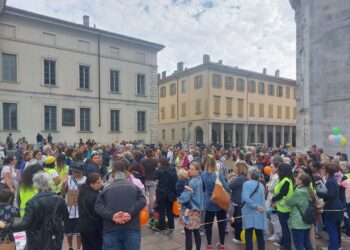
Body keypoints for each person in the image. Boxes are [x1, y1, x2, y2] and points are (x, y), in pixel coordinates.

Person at [0, 172, 68, 250]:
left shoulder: (32, 202)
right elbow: (64, 217)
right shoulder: (60, 199)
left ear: (35, 184)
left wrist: (5, 226)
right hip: (55, 238)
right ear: (50, 182)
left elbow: (24, 225)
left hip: (36, 239)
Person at [95, 158, 146, 250]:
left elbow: (98, 206)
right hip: (132, 227)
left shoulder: (106, 189)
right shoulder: (134, 187)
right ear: (125, 171)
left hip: (111, 229)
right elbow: (143, 200)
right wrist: (129, 213)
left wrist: (112, 216)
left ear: (113, 173)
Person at [201, 157, 229, 250]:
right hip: (219, 202)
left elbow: (203, 188)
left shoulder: (203, 175)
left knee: (208, 224)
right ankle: (222, 244)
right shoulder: (218, 175)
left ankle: (209, 244)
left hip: (209, 201)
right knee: (221, 224)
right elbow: (227, 187)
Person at [178, 161, 204, 250]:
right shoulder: (199, 179)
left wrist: (179, 198)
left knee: (188, 233)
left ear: (198, 170)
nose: (190, 171)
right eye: (190, 169)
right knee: (196, 231)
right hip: (197, 209)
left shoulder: (192, 182)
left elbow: (185, 197)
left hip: (191, 210)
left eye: (193, 169)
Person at [317, 162, 344, 250]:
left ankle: (333, 248)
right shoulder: (331, 180)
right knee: (335, 230)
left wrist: (317, 192)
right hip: (335, 208)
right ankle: (333, 247)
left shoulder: (330, 181)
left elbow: (331, 195)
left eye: (323, 169)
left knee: (332, 230)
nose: (322, 170)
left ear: (327, 171)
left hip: (332, 209)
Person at [285, 174, 314, 250]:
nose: (295, 179)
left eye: (297, 178)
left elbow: (289, 202)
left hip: (298, 221)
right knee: (306, 241)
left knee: (298, 243)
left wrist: (285, 198)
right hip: (307, 220)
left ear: (301, 181)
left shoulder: (298, 191)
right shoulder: (309, 190)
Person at [61, 162, 86, 250]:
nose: (75, 173)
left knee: (79, 232)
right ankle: (70, 247)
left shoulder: (85, 180)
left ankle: (78, 248)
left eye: (77, 172)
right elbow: (62, 193)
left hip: (80, 209)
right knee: (69, 232)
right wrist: (63, 184)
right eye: (74, 171)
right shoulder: (68, 179)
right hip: (69, 209)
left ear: (82, 172)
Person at [242, 167, 267, 250]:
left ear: (251, 175)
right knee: (260, 235)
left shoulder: (246, 184)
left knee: (248, 235)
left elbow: (245, 198)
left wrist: (256, 206)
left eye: (248, 173)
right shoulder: (261, 185)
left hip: (249, 212)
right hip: (259, 213)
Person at [77, 173, 103, 250]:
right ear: (91, 184)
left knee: (86, 247)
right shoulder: (94, 196)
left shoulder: (82, 192)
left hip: (83, 226)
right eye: (98, 182)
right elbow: (97, 214)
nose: (100, 184)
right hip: (93, 228)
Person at [272, 163, 294, 250]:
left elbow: (282, 194)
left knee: (285, 228)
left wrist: (273, 199)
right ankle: (283, 242)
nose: (277, 171)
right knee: (284, 227)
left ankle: (287, 246)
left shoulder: (286, 181)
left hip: (284, 208)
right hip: (283, 207)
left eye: (279, 169)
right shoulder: (287, 179)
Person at [154, 157, 178, 234]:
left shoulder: (160, 171)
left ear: (161, 163)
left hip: (161, 193)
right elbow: (176, 180)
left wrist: (157, 169)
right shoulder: (173, 170)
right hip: (170, 193)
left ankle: (163, 228)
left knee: (161, 211)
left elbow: (154, 176)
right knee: (170, 211)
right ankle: (171, 227)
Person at [229, 161, 248, 244]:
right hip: (241, 202)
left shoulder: (240, 178)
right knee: (238, 219)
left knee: (238, 220)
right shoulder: (244, 177)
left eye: (236, 167)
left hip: (239, 202)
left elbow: (229, 186)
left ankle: (238, 238)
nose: (234, 169)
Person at [266, 157, 282, 242]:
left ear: (276, 168)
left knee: (274, 217)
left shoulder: (276, 177)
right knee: (272, 216)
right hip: (271, 198)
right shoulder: (273, 175)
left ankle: (277, 234)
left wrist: (268, 185)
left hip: (273, 198)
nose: (270, 168)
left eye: (272, 167)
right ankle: (275, 232)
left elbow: (270, 187)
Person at [141, 149, 158, 214]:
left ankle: (145, 210)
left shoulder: (142, 161)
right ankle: (151, 210)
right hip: (153, 179)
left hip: (145, 179)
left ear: (146, 154)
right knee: (152, 196)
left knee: (144, 195)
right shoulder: (155, 161)